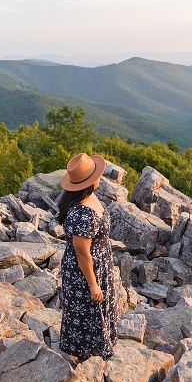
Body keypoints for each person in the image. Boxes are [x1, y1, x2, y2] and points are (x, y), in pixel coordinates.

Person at [57, 153, 118, 361]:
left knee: (94, 309)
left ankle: (97, 345)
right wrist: (93, 284)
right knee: (87, 309)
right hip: (85, 270)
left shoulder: (87, 196)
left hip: (99, 264)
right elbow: (82, 252)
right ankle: (85, 353)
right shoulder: (82, 213)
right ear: (90, 181)